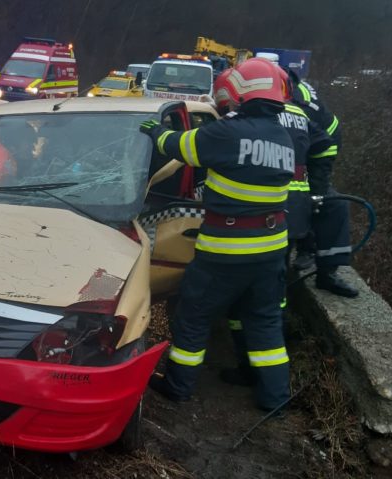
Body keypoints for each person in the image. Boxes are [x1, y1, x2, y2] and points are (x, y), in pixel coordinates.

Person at [140, 59, 294, 412]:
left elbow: (179, 146)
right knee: (265, 323)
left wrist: (154, 132)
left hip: (226, 251)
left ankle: (178, 387)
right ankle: (276, 400)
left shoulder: (228, 133)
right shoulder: (282, 136)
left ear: (241, 91)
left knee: (192, 317)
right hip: (271, 251)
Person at [212, 61, 336, 387]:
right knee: (272, 296)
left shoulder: (247, 118)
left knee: (246, 298)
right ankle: (272, 367)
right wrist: (317, 190)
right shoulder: (299, 114)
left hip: (255, 217)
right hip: (293, 218)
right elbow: (328, 145)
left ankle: (249, 366)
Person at [285, 68, 358, 297]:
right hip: (274, 166)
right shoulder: (266, 100)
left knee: (333, 205)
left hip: (310, 159)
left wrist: (316, 193)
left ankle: (326, 272)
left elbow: (326, 148)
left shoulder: (305, 107)